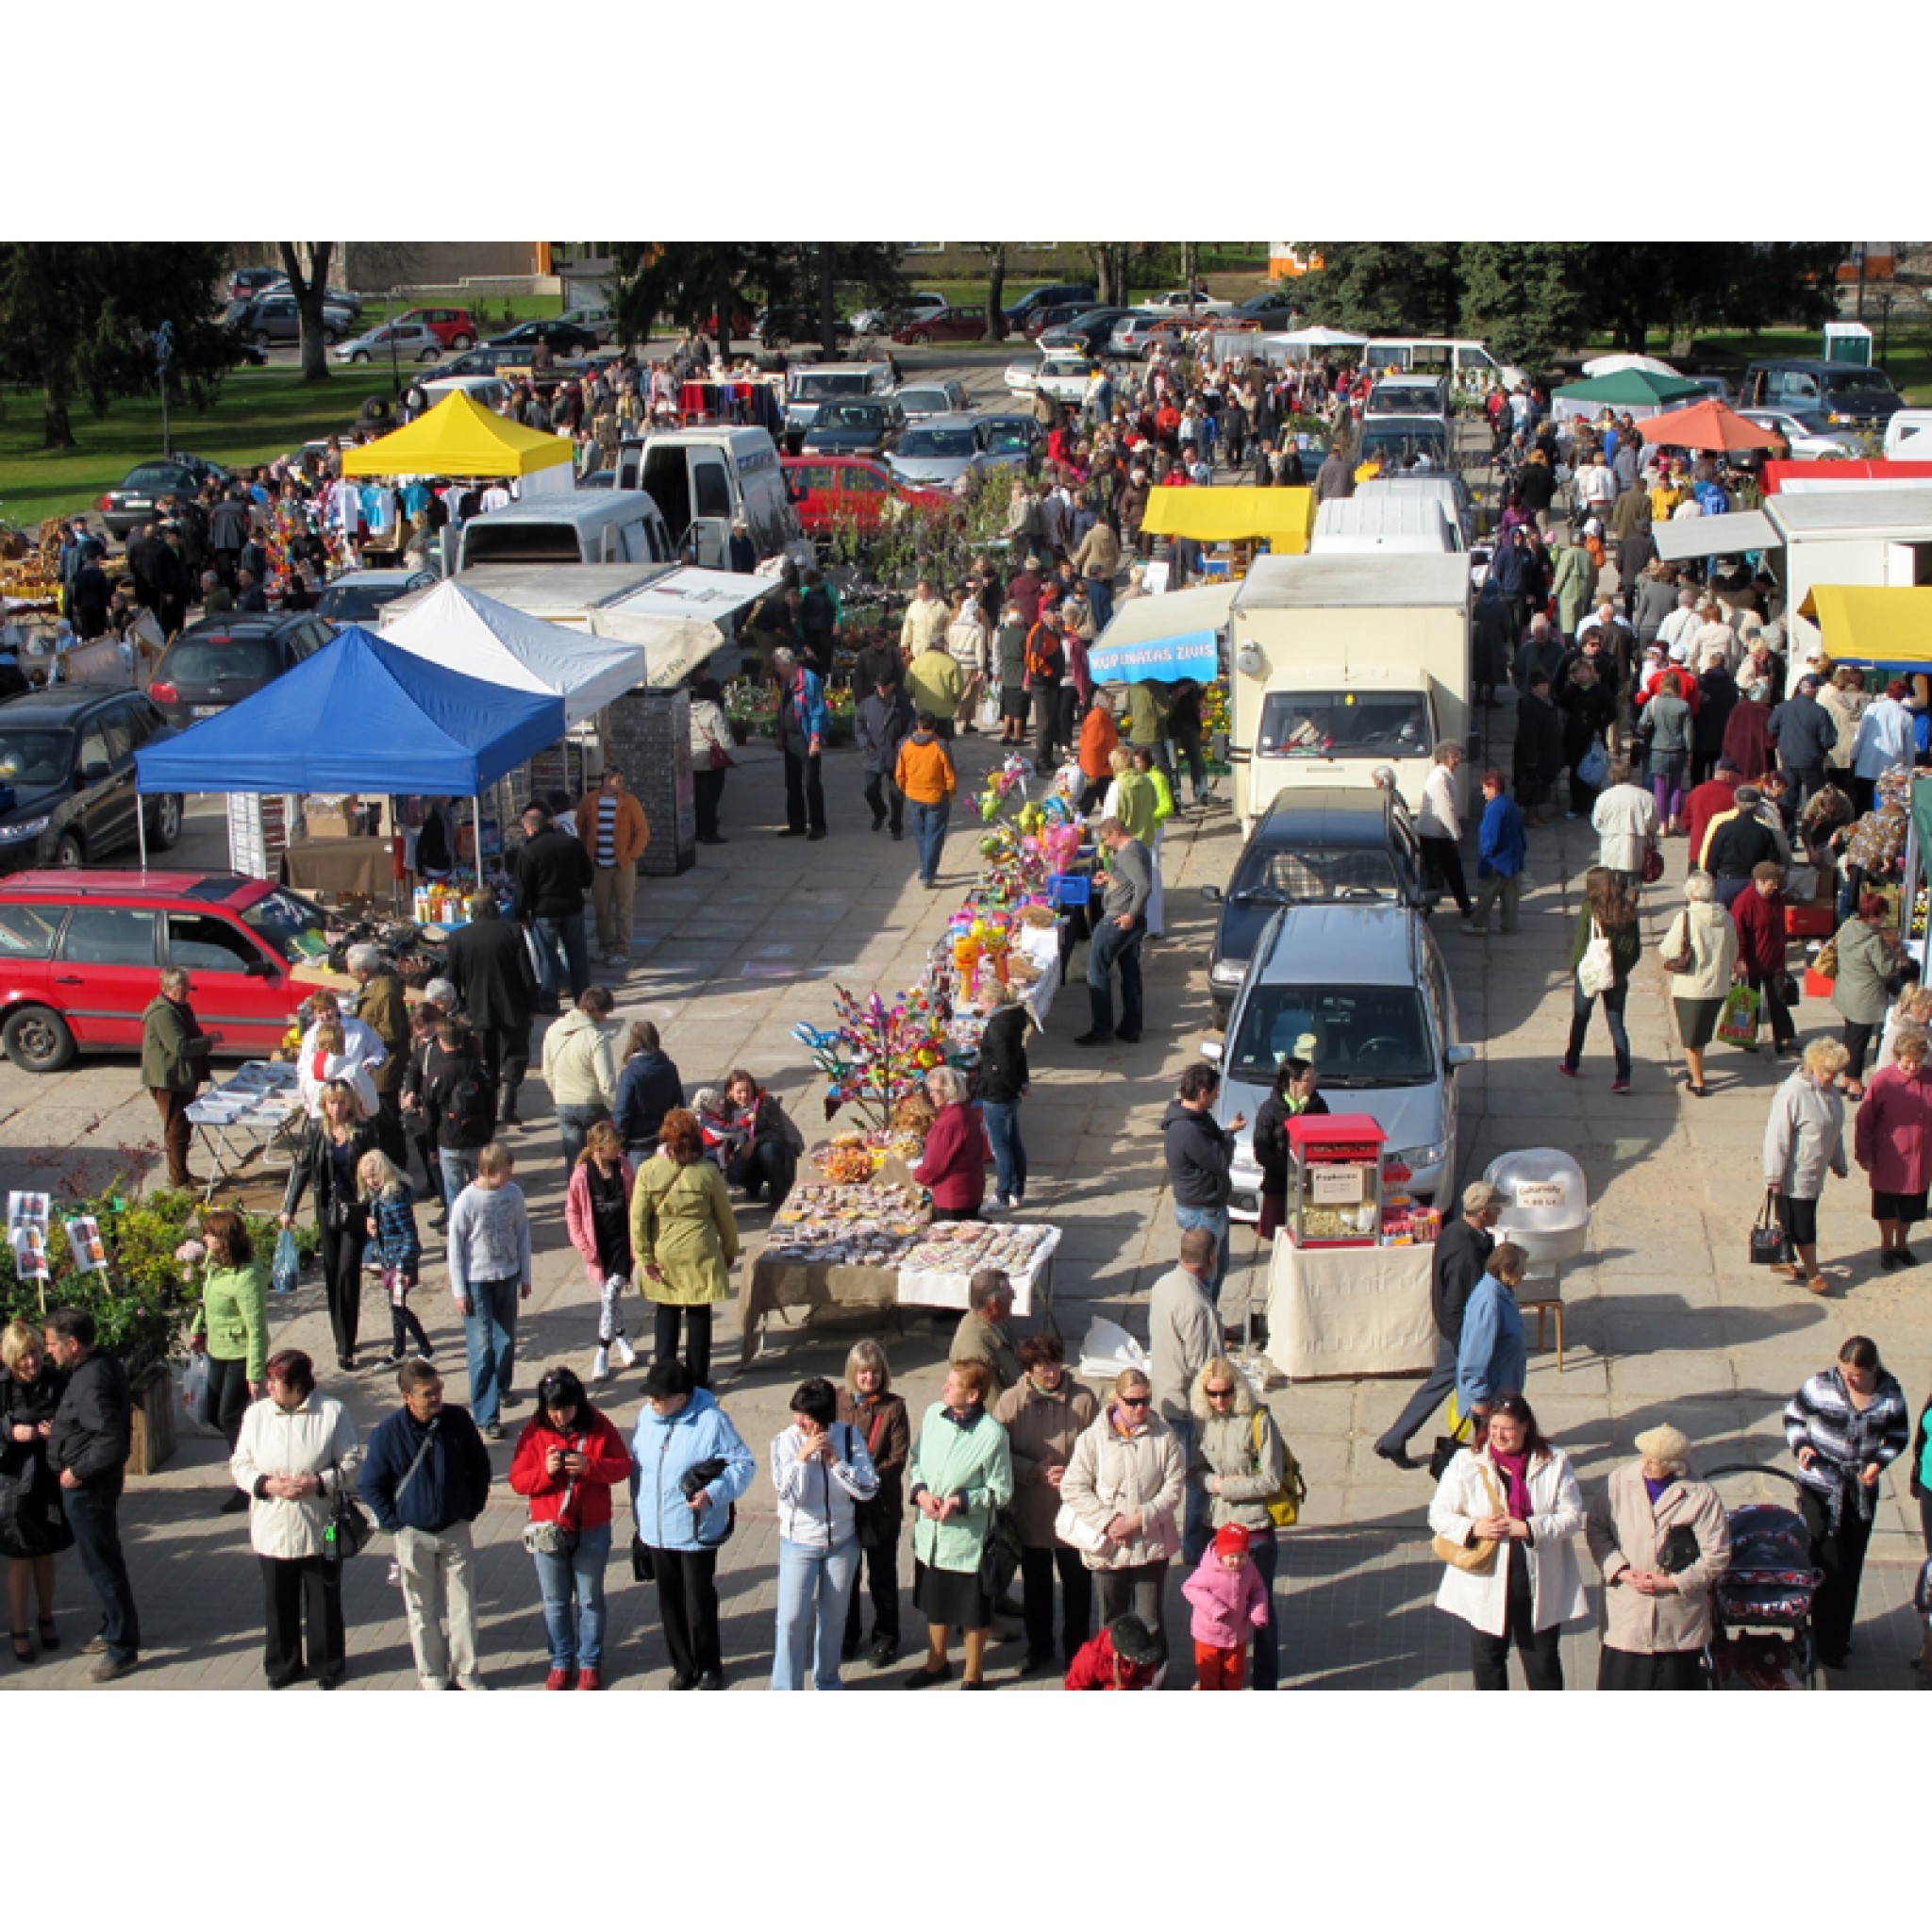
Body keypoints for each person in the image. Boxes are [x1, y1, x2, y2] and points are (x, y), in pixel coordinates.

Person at [1428, 1391, 1587, 1690]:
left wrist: (1528, 1528)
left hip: (1536, 1582)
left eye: (1508, 1428)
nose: (1500, 1436)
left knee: (1543, 1666)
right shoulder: (1466, 1462)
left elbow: (1573, 1517)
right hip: (1486, 1581)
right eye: (1494, 1428)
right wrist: (1475, 1527)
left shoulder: (1554, 1461)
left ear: (1526, 1427)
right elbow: (1438, 1515)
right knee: (1488, 1664)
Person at [358, 1357, 493, 1692]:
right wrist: (395, 1525)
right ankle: (432, 1676)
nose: (436, 1398)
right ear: (407, 1397)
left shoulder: (458, 1421)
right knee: (421, 1611)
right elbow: (370, 1484)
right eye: (427, 1393)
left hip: (454, 1528)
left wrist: (471, 1508)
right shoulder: (388, 1433)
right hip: (412, 1534)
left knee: (463, 1607)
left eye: (438, 1390)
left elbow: (480, 1467)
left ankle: (466, 1674)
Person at [230, 1348, 359, 1690]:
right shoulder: (256, 1416)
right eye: (269, 1380)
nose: (269, 1387)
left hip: (319, 1525)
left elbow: (352, 1463)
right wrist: (266, 1484)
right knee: (278, 1600)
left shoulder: (332, 1413)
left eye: (277, 1381)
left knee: (323, 1599)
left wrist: (319, 1482)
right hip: (272, 1525)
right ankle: (282, 1664)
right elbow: (240, 1465)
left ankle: (327, 1663)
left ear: (299, 1384)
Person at [1785, 1337, 1910, 1670]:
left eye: (1854, 1374)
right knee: (1824, 1562)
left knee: (1850, 1566)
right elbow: (1794, 1417)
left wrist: (1878, 1463)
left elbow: (1899, 1436)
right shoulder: (1821, 1385)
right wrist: (1801, 1447)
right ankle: (1813, 1634)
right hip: (1819, 1486)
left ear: (1872, 1370)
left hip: (1859, 1491)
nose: (1847, 1378)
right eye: (1844, 1370)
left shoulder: (1890, 1395)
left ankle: (1837, 1639)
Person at [629, 1357, 756, 1690]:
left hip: (695, 1530)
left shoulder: (712, 1421)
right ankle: (683, 1667)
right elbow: (638, 1471)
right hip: (657, 1529)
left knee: (698, 1600)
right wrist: (639, 1519)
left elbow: (743, 1465)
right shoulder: (646, 1416)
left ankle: (709, 1665)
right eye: (650, 1397)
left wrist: (712, 1494)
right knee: (669, 1601)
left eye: (659, 1398)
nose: (651, 1403)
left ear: (681, 1398)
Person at [508, 1363, 632, 1690]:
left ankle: (590, 1662)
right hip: (549, 1529)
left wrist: (591, 1466)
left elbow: (622, 1467)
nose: (559, 1417)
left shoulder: (599, 1425)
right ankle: (561, 1661)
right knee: (555, 1601)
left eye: (565, 1409)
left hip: (591, 1527)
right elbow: (518, 1480)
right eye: (553, 1410)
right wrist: (545, 1472)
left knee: (590, 1599)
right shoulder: (533, 1432)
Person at [1585, 1422, 1733, 1690]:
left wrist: (1673, 1583)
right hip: (1628, 1613)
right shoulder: (1619, 1481)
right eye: (1646, 1457)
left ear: (1675, 1465)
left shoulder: (1701, 1496)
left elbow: (1717, 1555)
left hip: (1677, 1621)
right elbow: (1596, 1528)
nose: (1647, 1464)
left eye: (1657, 1461)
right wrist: (1620, 1570)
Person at [1059, 1367, 1186, 1673]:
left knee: (1150, 1620)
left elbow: (1174, 1487)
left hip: (1150, 1543)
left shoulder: (1164, 1436)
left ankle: (1153, 1681)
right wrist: (1109, 1521)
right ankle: (1113, 1678)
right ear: (1116, 1400)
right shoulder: (1093, 1439)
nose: (1140, 1408)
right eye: (1132, 1402)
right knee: (1112, 1621)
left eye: (1145, 1401)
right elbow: (1073, 1486)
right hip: (1109, 1545)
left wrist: (1140, 1519)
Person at [1374, 1180, 1505, 1468]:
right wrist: (1465, 1343)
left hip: (1456, 1331)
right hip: (1462, 1334)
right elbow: (1460, 1301)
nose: (1500, 1213)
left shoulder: (1457, 1233)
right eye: (1496, 1208)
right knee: (1470, 1387)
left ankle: (1396, 1439)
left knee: (1453, 1386)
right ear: (1483, 1213)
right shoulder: (1466, 1253)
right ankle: (1397, 1439)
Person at [904, 1358, 1013, 1689]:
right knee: (935, 1604)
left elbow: (1001, 1491)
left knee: (972, 1612)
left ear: (973, 1396)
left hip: (968, 1542)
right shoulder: (933, 1415)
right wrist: (921, 1493)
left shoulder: (993, 1435)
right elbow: (917, 1460)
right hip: (932, 1537)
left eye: (952, 1385)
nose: (943, 1388)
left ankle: (973, 1673)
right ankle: (936, 1662)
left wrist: (961, 1501)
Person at [992, 1334, 1097, 1675]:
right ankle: (1039, 1649)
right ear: (1029, 1369)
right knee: (1037, 1589)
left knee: (1077, 1588)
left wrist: (1073, 1474)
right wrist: (1032, 1470)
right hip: (1032, 1512)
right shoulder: (1010, 1404)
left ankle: (1077, 1652)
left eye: (1054, 1363)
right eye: (1041, 1366)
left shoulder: (1083, 1400)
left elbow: (1099, 1450)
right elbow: (995, 1453)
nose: (1050, 1372)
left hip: (1074, 1513)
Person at [1189, 1356, 1294, 1691]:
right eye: (1213, 1394)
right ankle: (1219, 1680)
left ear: (1239, 1389)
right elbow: (1194, 1471)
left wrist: (1225, 1487)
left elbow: (1272, 1479)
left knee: (1260, 1607)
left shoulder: (1258, 1421)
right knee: (1216, 1609)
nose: (1220, 1401)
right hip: (1217, 1526)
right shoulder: (1202, 1421)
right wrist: (1211, 1484)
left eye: (1227, 1393)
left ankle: (1265, 1682)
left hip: (1253, 1528)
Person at [43, 1308, 138, 1681]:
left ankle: (122, 1646)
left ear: (72, 1344)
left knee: (103, 1564)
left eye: (51, 1345)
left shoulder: (92, 1380)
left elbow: (110, 1440)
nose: (49, 1352)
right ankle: (111, 1626)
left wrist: (77, 1471)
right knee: (102, 1560)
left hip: (88, 1489)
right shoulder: (95, 1367)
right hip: (93, 1485)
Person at [768, 1375, 879, 1691]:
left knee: (833, 1619)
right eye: (797, 1415)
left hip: (842, 1543)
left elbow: (868, 1488)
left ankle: (827, 1681)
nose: (800, 1422)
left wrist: (835, 1462)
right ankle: (785, 1688)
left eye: (808, 1418)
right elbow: (790, 1495)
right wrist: (802, 1460)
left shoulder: (849, 1437)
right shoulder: (784, 1442)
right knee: (790, 1619)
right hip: (798, 1543)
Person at [631, 1107, 740, 1391]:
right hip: (699, 1250)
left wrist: (644, 1256)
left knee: (666, 1314)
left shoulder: (648, 1170)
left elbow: (638, 1218)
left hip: (663, 1250)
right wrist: (730, 1249)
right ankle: (698, 1378)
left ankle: (664, 1379)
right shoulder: (707, 1172)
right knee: (698, 1315)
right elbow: (724, 1216)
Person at [280, 1079, 379, 1373]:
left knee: (349, 1271)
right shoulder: (316, 1131)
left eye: (340, 1102)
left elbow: (377, 1170)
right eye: (331, 1102)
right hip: (328, 1209)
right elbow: (303, 1168)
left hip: (355, 1209)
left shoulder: (362, 1132)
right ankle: (340, 1335)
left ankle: (346, 1345)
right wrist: (289, 1208)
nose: (336, 1108)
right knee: (332, 1272)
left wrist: (373, 1211)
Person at [446, 1142, 533, 1441]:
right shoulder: (466, 1202)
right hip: (477, 1280)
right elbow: (455, 1249)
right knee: (482, 1347)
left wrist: (525, 1276)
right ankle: (486, 1414)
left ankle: (502, 1386)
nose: (508, 1178)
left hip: (507, 1276)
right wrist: (460, 1291)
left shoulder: (513, 1194)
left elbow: (522, 1234)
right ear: (486, 1171)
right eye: (504, 1174)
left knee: (506, 1340)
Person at [0, 1322, 73, 1660]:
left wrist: (53, 1430)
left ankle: (46, 1617)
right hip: (13, 1481)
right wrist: (13, 1433)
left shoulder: (55, 1381)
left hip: (46, 1476)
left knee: (46, 1552)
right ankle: (18, 1627)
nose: (31, 1363)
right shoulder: (2, 1387)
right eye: (23, 1357)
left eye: (34, 1354)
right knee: (20, 1556)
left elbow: (71, 1418)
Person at [837, 1341, 911, 1669]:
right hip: (844, 1505)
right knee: (846, 1575)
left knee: (881, 1575)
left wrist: (862, 1477)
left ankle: (886, 1637)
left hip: (880, 1505)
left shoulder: (893, 1408)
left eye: (875, 1372)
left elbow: (897, 1458)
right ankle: (847, 1634)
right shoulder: (839, 1401)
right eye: (863, 1372)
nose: (869, 1378)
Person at [190, 1209, 269, 1510]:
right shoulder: (215, 1266)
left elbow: (256, 1327)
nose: (204, 1238)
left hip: (239, 1354)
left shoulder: (247, 1276)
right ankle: (250, 1457)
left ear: (224, 1240)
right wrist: (199, 1330)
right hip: (217, 1350)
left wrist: (255, 1372)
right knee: (212, 1412)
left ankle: (247, 1481)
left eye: (209, 1234)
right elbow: (205, 1300)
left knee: (229, 1416)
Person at [1763, 1037, 1852, 1296]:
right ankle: (1814, 1273)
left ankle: (1784, 1260)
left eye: (1834, 1074)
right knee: (1803, 1224)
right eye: (1826, 1072)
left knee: (1791, 1222)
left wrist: (1838, 1161)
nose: (1829, 1078)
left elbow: (1834, 1130)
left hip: (1815, 1171)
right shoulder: (1792, 1093)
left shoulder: (1831, 1093)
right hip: (1794, 1173)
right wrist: (1773, 1174)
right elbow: (1777, 1137)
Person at [442, 893, 540, 1126]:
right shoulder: (513, 933)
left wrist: (457, 1009)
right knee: (516, 1053)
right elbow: (527, 974)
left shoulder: (458, 938)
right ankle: (507, 1097)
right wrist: (533, 1004)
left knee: (486, 1058)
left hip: (477, 1009)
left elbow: (452, 979)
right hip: (513, 1005)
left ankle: (490, 1104)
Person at [565, 1121, 639, 1383]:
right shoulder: (582, 1176)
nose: (618, 1151)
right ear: (598, 1148)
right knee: (611, 1298)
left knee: (610, 1296)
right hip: (598, 1247)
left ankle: (602, 1350)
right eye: (613, 1147)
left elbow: (634, 1202)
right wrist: (584, 1247)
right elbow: (572, 1213)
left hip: (621, 1243)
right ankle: (622, 1338)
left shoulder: (625, 1168)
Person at [1856, 1024, 1932, 1270]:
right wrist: (1864, 1153)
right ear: (1899, 1057)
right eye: (1908, 1062)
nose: (1913, 1068)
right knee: (1887, 1207)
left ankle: (1902, 1244)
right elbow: (1864, 1120)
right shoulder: (1883, 1081)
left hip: (1921, 1157)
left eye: (1917, 1062)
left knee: (1911, 1208)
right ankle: (1887, 1245)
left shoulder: (1930, 1079)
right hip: (1890, 1156)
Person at [1560, 867, 1642, 1092]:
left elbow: (1580, 942)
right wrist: (1621, 969)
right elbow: (1634, 949)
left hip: (1592, 972)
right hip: (1617, 976)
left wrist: (1576, 968)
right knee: (1617, 1025)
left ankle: (1571, 1063)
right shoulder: (1628, 909)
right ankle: (1623, 1076)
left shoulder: (1590, 909)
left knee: (1581, 1018)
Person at [1077, 816, 1153, 1047]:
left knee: (1096, 970)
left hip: (1119, 919)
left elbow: (1143, 885)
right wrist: (1111, 878)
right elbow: (1131, 881)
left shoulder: (1128, 853)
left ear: (1116, 832)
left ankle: (1102, 1029)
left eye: (1106, 838)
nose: (1106, 843)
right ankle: (1131, 1026)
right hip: (1133, 921)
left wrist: (1130, 913)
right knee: (1130, 972)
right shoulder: (1138, 848)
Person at [513, 802, 595, 1014]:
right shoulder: (572, 844)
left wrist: (521, 914)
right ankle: (584, 1000)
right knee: (577, 956)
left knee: (548, 958)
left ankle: (550, 1003)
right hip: (573, 907)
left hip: (544, 913)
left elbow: (523, 889)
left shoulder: (528, 852)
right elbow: (588, 876)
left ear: (530, 828)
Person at [1663, 871, 1739, 1098]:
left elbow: (1668, 949)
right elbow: (1733, 951)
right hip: (1718, 984)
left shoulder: (1686, 917)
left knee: (1689, 1037)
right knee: (1702, 1033)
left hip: (1691, 985)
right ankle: (1694, 1069)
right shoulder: (1726, 918)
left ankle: (1697, 1080)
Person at [142, 968, 218, 1190]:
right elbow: (179, 1047)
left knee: (184, 1128)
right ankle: (178, 1181)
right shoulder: (163, 1013)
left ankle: (183, 1174)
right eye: (185, 987)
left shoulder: (179, 1007)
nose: (188, 991)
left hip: (182, 1076)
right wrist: (209, 1041)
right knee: (175, 1129)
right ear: (173, 988)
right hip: (168, 1080)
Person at [359, 1149, 433, 1368]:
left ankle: (426, 1349)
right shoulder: (380, 1196)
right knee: (395, 1305)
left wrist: (404, 1266)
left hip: (400, 1262)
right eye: (367, 1177)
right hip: (390, 1260)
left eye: (374, 1175)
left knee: (398, 1307)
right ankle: (398, 1350)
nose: (371, 1181)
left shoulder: (393, 1198)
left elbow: (409, 1234)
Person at [1182, 1523, 1271, 1691]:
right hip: (1208, 1635)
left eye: (1242, 1556)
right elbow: (1190, 1588)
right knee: (1209, 1675)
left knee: (1235, 1673)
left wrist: (1258, 1612)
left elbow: (1258, 1589)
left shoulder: (1249, 1570)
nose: (1237, 1561)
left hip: (1236, 1635)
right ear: (1221, 1553)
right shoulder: (1208, 1570)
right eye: (1232, 1556)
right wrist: (1214, 1608)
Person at [574, 768, 649, 968]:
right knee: (602, 909)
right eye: (618, 781)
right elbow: (580, 827)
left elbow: (642, 831)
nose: (621, 785)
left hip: (622, 865)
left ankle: (622, 949)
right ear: (606, 781)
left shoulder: (629, 802)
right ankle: (605, 946)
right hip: (598, 864)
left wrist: (632, 854)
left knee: (624, 908)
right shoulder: (589, 801)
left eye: (622, 781)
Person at [541, 985, 620, 1174]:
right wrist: (615, 1110)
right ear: (596, 1010)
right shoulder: (596, 1038)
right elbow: (606, 1082)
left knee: (574, 1161)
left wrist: (558, 1093)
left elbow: (547, 1070)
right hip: (592, 1104)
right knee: (599, 1159)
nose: (605, 1018)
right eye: (605, 1013)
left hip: (564, 1103)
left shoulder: (553, 1030)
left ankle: (576, 1197)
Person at [345, 944, 409, 1170]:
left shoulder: (385, 992)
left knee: (388, 1120)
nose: (350, 975)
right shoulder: (373, 987)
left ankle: (397, 1167)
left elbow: (391, 1031)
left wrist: (361, 1035)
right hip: (376, 1061)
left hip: (385, 1066)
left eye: (351, 971)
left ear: (364, 971)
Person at [1831, 892, 1901, 1094]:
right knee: (1859, 1042)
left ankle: (1845, 1077)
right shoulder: (1874, 941)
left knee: (1850, 1037)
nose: (1883, 920)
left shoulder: (1847, 927)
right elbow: (1886, 969)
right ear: (1875, 915)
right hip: (1865, 997)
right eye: (1882, 915)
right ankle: (1854, 1082)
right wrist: (1896, 959)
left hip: (1847, 990)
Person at [1250, 1058, 1326, 1239]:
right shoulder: (1269, 1111)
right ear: (1293, 1082)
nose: (1313, 1083)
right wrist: (1290, 1170)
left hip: (1310, 1185)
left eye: (1314, 1078)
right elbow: (1262, 1151)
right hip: (1279, 1185)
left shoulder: (1318, 1105)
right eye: (1308, 1080)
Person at [1731, 861, 1798, 1060]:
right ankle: (1746, 1038)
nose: (1774, 887)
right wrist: (1739, 960)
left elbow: (1780, 928)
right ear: (1759, 881)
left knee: (1778, 998)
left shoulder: (1776, 897)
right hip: (1752, 961)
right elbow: (1738, 934)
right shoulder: (1744, 902)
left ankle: (1783, 1038)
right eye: (1771, 883)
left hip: (1774, 958)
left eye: (1776, 883)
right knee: (1749, 1000)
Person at [1456, 1241, 1529, 1424]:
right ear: (1506, 1269)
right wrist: (1479, 1397)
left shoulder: (1503, 1293)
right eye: (1521, 1269)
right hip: (1490, 1399)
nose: (1524, 1274)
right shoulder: (1489, 1302)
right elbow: (1475, 1355)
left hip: (1503, 1392)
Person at [973, 982, 1030, 1212]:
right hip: (1009, 1090)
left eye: (982, 1001)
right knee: (1014, 1141)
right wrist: (1023, 1082)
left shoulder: (997, 1027)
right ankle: (1018, 1190)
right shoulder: (1013, 1021)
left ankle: (1003, 1194)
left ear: (994, 1002)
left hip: (998, 1092)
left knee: (1001, 1147)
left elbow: (1004, 1064)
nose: (980, 1005)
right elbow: (1020, 1054)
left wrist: (1013, 1086)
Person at [718, 1069, 804, 1210]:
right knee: (733, 1172)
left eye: (747, 1090)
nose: (744, 1095)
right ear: (730, 1093)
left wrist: (755, 1140)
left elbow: (778, 1133)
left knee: (768, 1150)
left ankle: (779, 1196)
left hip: (778, 1151)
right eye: (739, 1092)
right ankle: (753, 1186)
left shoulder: (766, 1103)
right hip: (749, 1154)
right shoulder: (726, 1110)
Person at [912, 1065, 986, 1222]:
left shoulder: (949, 1122)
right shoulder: (966, 1112)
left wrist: (917, 1175)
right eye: (930, 1090)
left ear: (949, 1090)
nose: (931, 1095)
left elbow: (935, 1164)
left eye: (935, 1091)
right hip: (971, 1188)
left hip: (953, 1195)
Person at [773, 646, 831, 839]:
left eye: (778, 666)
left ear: (787, 665)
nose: (777, 669)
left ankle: (818, 826)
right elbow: (783, 710)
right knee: (792, 783)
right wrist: (780, 735)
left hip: (806, 737)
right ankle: (796, 824)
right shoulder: (785, 681)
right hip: (790, 737)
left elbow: (817, 711)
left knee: (811, 783)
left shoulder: (809, 680)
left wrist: (815, 739)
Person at [893, 709, 956, 889]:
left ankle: (927, 867)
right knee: (934, 835)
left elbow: (899, 774)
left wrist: (907, 788)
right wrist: (950, 793)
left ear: (918, 726)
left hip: (913, 796)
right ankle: (928, 873)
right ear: (934, 727)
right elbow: (950, 775)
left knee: (921, 835)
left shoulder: (906, 745)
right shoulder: (940, 746)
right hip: (936, 797)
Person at [1416, 741, 1473, 916]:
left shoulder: (1442, 775)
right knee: (1448, 869)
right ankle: (1462, 905)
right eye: (1455, 756)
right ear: (1445, 758)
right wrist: (1456, 834)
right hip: (1435, 834)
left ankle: (1432, 906)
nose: (1458, 760)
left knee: (1440, 870)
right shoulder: (1440, 778)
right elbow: (1445, 808)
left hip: (1435, 833)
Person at [1468, 769, 1527, 936]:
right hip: (1512, 858)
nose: (1483, 792)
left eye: (1485, 788)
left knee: (1486, 894)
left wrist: (1486, 855)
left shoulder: (1494, 809)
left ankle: (1478, 924)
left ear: (1494, 788)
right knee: (1510, 896)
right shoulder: (1509, 804)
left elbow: (1490, 835)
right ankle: (1509, 925)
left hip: (1496, 861)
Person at [614, 1020, 684, 1160]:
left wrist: (620, 1141)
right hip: (664, 1139)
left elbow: (623, 1112)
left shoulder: (630, 1074)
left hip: (638, 1143)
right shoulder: (669, 1068)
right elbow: (679, 1104)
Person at [856, 671, 913, 839]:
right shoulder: (867, 704)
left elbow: (910, 730)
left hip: (895, 754)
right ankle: (880, 811)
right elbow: (859, 727)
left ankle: (896, 826)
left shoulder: (904, 707)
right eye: (878, 686)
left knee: (896, 793)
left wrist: (901, 745)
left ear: (892, 686)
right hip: (873, 753)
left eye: (884, 686)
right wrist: (865, 743)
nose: (881, 690)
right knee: (870, 790)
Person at [947, 1269, 1022, 1397]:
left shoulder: (995, 1321)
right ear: (994, 1305)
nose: (1014, 1297)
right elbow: (994, 1404)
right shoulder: (975, 1350)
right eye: (1010, 1295)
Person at [1591, 758, 1659, 892]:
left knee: (1611, 887)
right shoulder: (1645, 797)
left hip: (1611, 849)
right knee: (1633, 887)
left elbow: (1597, 823)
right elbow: (1653, 824)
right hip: (1635, 848)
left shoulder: (1604, 797)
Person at [688, 675, 735, 845]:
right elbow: (723, 737)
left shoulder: (687, 709)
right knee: (711, 797)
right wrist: (729, 755)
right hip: (711, 760)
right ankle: (710, 832)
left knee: (697, 797)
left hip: (692, 758)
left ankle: (699, 830)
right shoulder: (713, 710)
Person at [1064, 1611, 1161, 1690]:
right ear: (1120, 1652)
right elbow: (1074, 1686)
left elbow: (1143, 1679)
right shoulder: (1091, 1658)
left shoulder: (1145, 1652)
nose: (1139, 1660)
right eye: (1134, 1657)